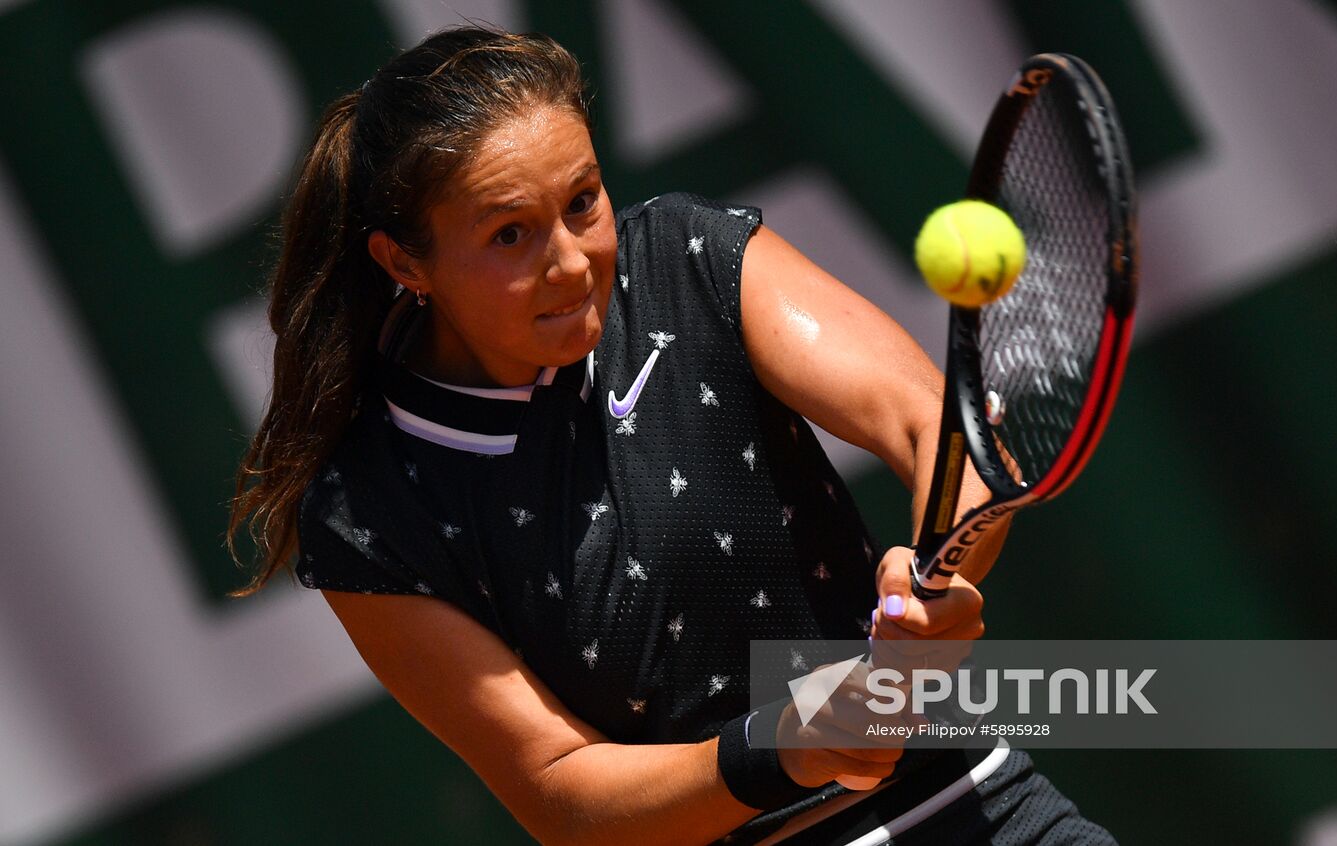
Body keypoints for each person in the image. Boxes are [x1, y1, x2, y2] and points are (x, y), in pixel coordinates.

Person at [227, 25, 1116, 845]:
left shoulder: (685, 260)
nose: (571, 261)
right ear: (403, 261)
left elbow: (932, 428)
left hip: (986, 812)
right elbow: (560, 792)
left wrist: (934, 574)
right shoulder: (370, 514)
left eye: (583, 201)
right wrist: (782, 745)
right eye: (509, 234)